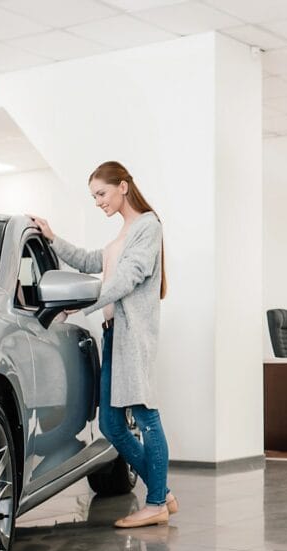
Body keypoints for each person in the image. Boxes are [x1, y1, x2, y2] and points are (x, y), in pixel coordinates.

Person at [28, 161, 177, 529]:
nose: (98, 201)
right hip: (114, 334)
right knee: (111, 424)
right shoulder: (124, 233)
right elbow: (92, 261)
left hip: (132, 335)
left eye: (101, 193)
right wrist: (52, 238)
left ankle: (156, 501)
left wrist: (80, 305)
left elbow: (128, 278)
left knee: (145, 415)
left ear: (123, 186)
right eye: (93, 196)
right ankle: (163, 492)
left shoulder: (147, 226)